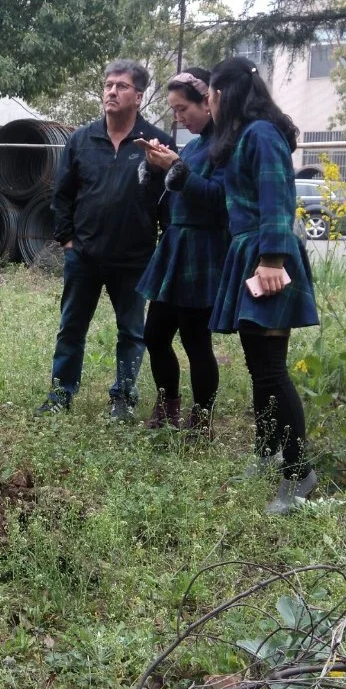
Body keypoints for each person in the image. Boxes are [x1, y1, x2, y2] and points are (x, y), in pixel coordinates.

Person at [206, 57, 319, 514]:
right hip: (251, 253)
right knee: (259, 367)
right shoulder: (245, 136)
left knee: (271, 368)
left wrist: (271, 259)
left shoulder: (261, 135)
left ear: (224, 94)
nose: (209, 103)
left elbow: (278, 197)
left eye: (211, 94)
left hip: (268, 259)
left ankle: (299, 473)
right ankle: (268, 450)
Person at [37, 59, 173, 421]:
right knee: (71, 327)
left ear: (139, 96)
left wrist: (162, 244)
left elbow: (169, 199)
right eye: (108, 85)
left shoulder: (156, 143)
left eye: (122, 86)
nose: (112, 91)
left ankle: (123, 398)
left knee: (132, 331)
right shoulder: (83, 139)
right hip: (84, 255)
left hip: (134, 258)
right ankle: (60, 394)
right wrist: (67, 240)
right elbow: (62, 193)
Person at [135, 68, 229, 435]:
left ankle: (201, 420)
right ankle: (168, 404)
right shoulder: (197, 145)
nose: (178, 117)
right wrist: (161, 167)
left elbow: (219, 199)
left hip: (203, 247)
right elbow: (181, 189)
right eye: (173, 110)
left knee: (195, 339)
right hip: (177, 245)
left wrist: (176, 166)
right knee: (155, 334)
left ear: (207, 102)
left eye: (182, 108)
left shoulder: (225, 145)